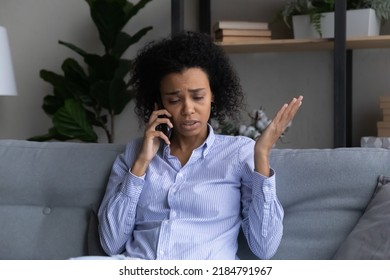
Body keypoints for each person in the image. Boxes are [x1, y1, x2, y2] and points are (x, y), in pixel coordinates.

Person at [97, 31, 303, 260]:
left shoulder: (238, 153)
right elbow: (111, 243)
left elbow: (264, 247)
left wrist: (262, 154)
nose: (188, 109)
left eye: (198, 97)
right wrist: (141, 164)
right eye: (174, 100)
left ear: (213, 95)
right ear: (159, 103)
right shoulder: (135, 154)